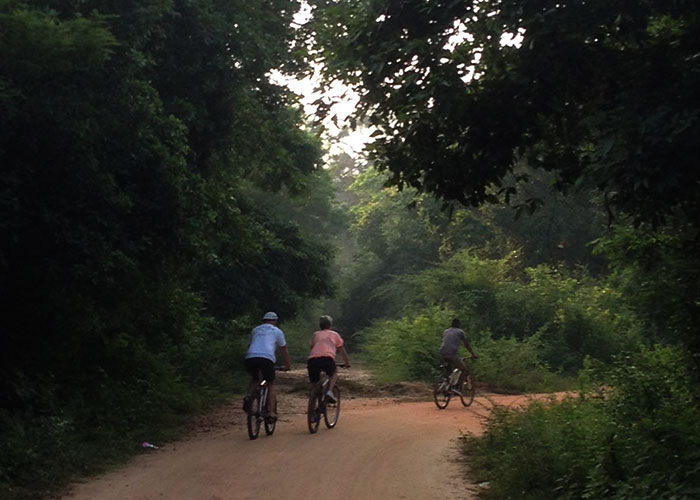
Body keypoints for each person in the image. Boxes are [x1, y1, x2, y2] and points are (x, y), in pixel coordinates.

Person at [244, 311, 291, 419]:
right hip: (266, 358)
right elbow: (284, 350)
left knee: (255, 379)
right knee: (270, 384)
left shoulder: (255, 330)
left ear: (263, 320)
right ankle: (271, 413)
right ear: (275, 321)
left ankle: (248, 397)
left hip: (251, 357)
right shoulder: (277, 331)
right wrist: (287, 365)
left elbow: (250, 345)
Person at [307, 315, 350, 403]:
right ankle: (329, 391)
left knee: (314, 382)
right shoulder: (335, 334)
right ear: (330, 325)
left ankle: (312, 403)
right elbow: (342, 351)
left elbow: (312, 348)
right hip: (327, 358)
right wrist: (347, 363)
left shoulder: (315, 334)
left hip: (313, 359)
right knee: (334, 373)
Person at [439, 318, 477, 389]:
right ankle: (458, 387)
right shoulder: (460, 332)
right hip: (452, 354)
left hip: (442, 353)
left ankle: (446, 385)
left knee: (449, 370)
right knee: (464, 369)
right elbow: (466, 345)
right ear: (459, 324)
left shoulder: (446, 331)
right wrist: (472, 354)